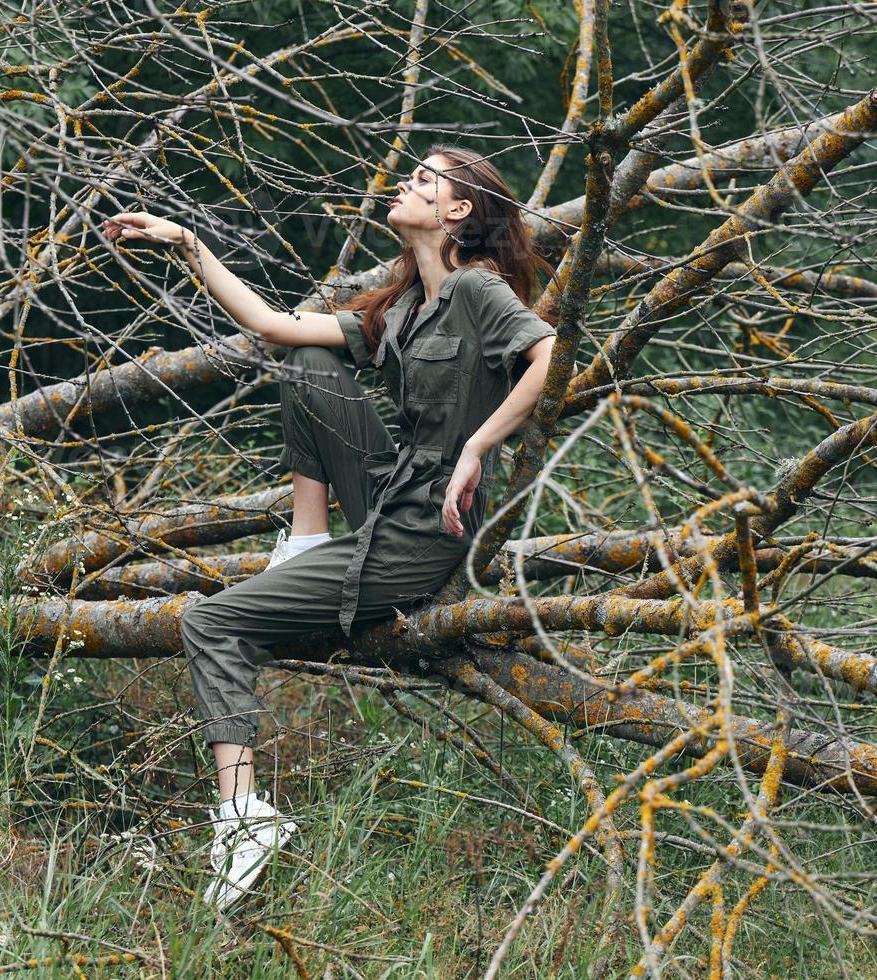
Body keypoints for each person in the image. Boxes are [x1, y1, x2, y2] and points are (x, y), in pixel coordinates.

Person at [102, 144, 556, 911]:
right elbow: (272, 323)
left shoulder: (479, 291)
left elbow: (546, 355)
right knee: (303, 362)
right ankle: (308, 544)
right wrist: (186, 243)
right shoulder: (403, 308)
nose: (404, 181)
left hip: (428, 532)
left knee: (212, 622)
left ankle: (243, 817)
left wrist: (478, 449)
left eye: (424, 179)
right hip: (386, 493)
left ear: (458, 212)